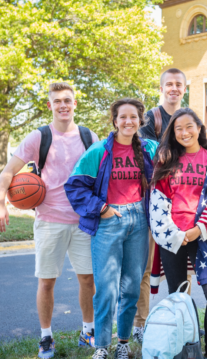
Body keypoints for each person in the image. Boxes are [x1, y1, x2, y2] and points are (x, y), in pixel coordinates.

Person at [0, 82, 98, 359]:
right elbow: (7, 173)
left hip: (83, 222)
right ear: (50, 105)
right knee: (47, 282)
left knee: (88, 279)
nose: (63, 105)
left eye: (67, 100)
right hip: (49, 220)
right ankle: (46, 337)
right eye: (57, 101)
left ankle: (88, 331)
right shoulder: (39, 137)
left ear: (75, 104)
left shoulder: (89, 136)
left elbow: (102, 177)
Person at [65, 98, 158, 359]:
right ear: (114, 121)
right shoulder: (99, 151)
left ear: (141, 120)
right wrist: (101, 208)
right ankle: (102, 347)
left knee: (130, 288)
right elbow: (74, 186)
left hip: (139, 220)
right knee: (107, 288)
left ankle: (124, 343)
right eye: (123, 117)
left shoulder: (150, 149)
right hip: (109, 220)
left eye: (133, 117)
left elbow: (176, 166)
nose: (128, 121)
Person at [148, 108, 207, 359]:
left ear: (199, 128)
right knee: (179, 297)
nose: (184, 132)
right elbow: (156, 199)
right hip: (172, 236)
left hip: (201, 233)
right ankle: (187, 348)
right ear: (173, 133)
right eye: (178, 128)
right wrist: (174, 234)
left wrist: (198, 230)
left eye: (189, 126)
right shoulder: (166, 160)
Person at [134, 68, 187, 343]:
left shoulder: (189, 118)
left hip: (182, 206)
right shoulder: (150, 119)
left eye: (179, 84)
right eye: (169, 84)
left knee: (183, 267)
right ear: (162, 88)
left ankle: (182, 321)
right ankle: (140, 325)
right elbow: (146, 158)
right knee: (145, 268)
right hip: (152, 204)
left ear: (184, 89)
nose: (174, 88)